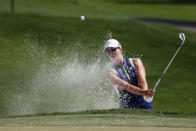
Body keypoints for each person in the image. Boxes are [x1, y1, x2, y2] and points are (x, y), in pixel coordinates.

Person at [104, 39, 154, 110]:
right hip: (127, 107)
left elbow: (142, 81)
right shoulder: (110, 74)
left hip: (144, 103)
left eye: (113, 49)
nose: (111, 52)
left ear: (120, 49)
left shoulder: (135, 62)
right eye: (107, 51)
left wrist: (146, 94)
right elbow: (125, 86)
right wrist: (144, 92)